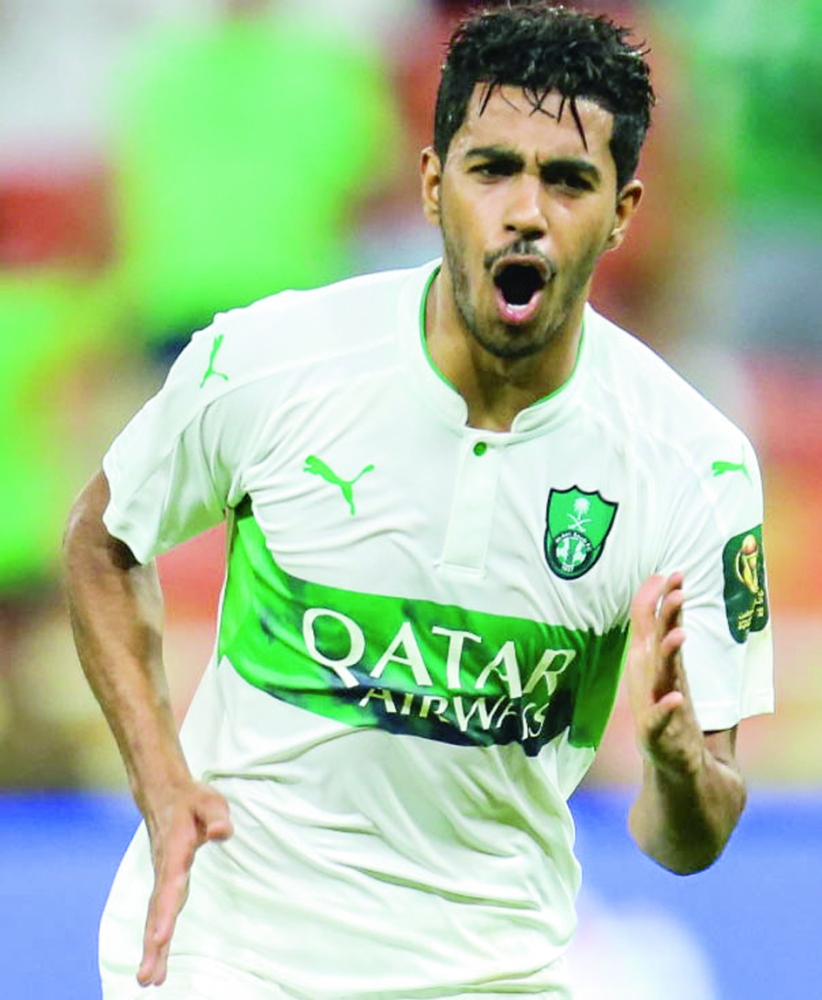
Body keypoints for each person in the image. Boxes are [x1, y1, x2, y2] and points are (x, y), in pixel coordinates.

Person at [64, 4, 774, 998]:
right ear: (434, 182)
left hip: (494, 969)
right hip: (231, 949)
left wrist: (674, 766)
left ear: (623, 210)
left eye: (568, 180)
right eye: (493, 170)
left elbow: (686, 840)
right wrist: (160, 781)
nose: (524, 212)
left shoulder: (696, 464)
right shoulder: (271, 360)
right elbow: (102, 540)